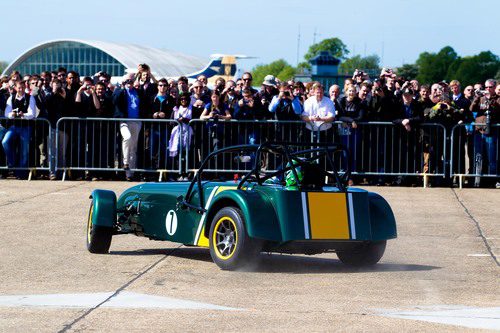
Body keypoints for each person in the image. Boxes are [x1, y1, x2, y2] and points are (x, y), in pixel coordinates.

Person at [2, 80, 37, 179]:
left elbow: (32, 114)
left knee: (24, 150)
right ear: (15, 88)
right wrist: (11, 115)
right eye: (19, 87)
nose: (20, 89)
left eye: (22, 87)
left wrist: (23, 115)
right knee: (5, 142)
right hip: (14, 126)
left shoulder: (30, 98)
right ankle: (13, 163)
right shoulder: (11, 98)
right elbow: (6, 113)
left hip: (26, 126)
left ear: (24, 87)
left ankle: (21, 173)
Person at [113, 73, 144, 181]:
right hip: (124, 120)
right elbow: (115, 99)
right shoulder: (121, 92)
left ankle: (130, 173)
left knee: (133, 147)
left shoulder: (138, 92)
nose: (129, 83)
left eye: (130, 81)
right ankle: (125, 162)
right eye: (127, 82)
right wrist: (122, 87)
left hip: (136, 121)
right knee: (127, 137)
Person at [470, 79, 499, 187]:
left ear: (494, 88)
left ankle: (490, 181)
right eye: (485, 87)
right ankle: (478, 181)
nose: (487, 89)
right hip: (479, 131)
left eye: (490, 87)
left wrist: (490, 99)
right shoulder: (481, 98)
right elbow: (472, 108)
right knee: (478, 157)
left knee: (491, 158)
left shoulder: (498, 99)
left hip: (491, 132)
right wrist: (477, 97)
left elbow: (497, 110)